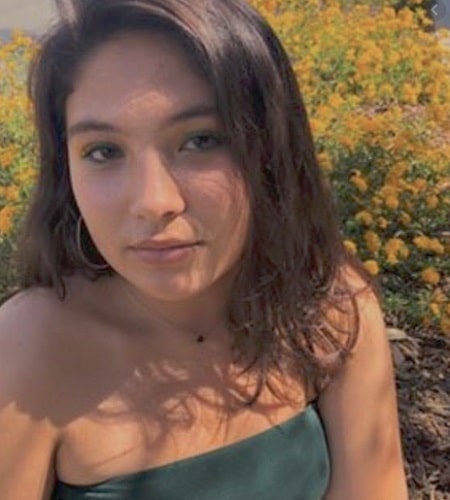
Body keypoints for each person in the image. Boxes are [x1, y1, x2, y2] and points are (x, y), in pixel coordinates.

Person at [0, 0, 408, 498]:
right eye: (103, 151)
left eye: (201, 140)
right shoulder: (29, 350)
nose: (154, 202)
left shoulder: (329, 308)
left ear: (271, 148)